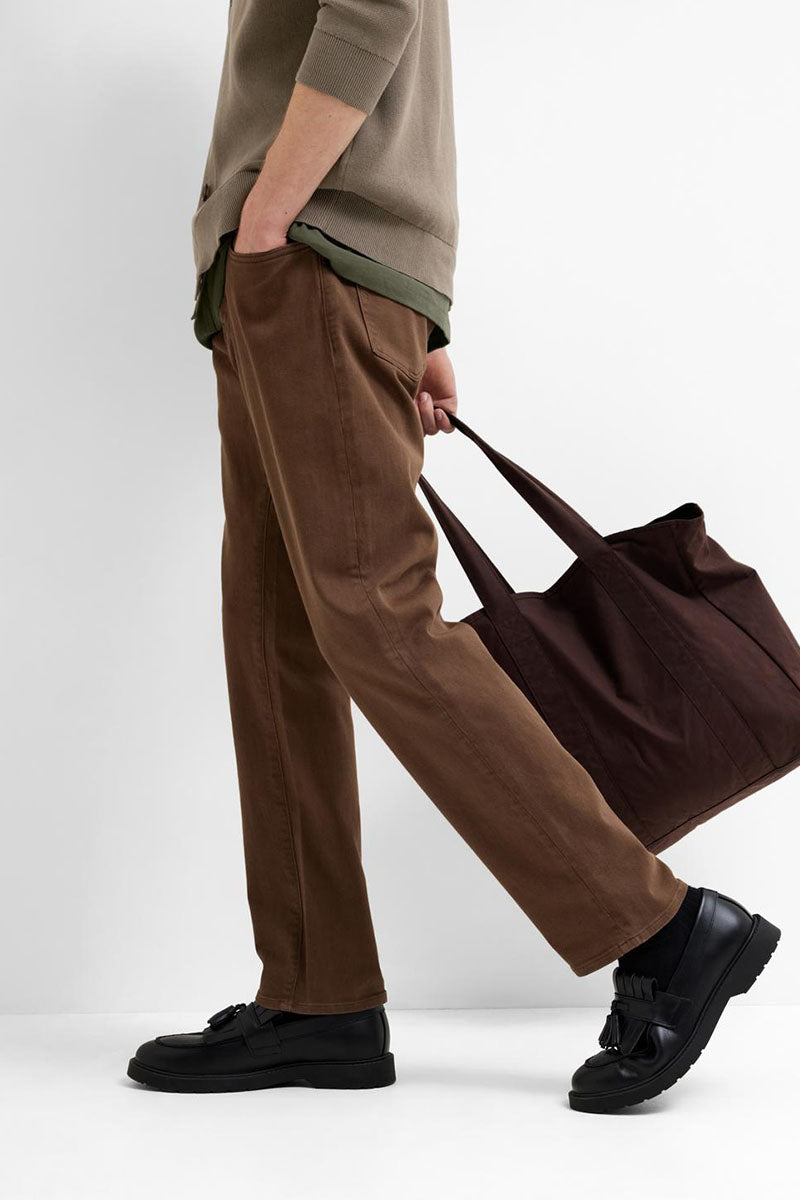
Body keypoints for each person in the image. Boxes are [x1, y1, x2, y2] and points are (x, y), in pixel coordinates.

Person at [127, 1, 780, 1111]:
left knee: (374, 610)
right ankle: (318, 995)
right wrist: (401, 305)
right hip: (302, 263)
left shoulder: (296, 231)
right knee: (275, 628)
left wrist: (274, 218)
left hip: (310, 249)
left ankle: (663, 927)